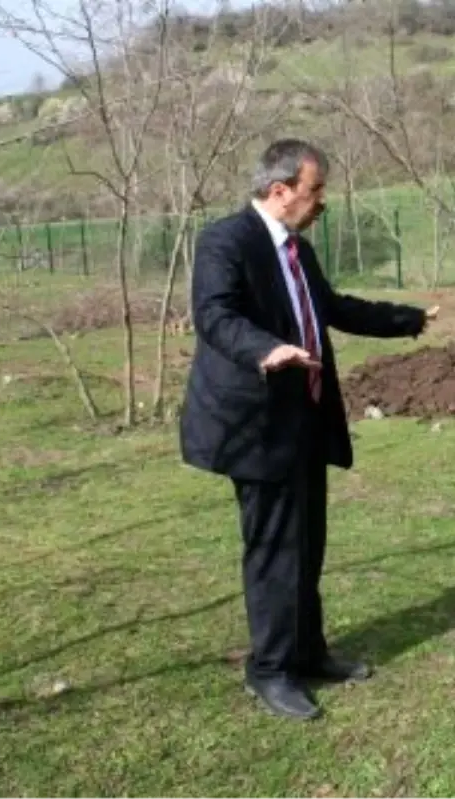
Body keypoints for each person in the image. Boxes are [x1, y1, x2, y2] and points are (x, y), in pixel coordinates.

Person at [179, 138, 438, 719]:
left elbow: (334, 308)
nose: (323, 201)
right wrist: (266, 349)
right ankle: (269, 670)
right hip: (255, 426)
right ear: (280, 191)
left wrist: (409, 320)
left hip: (305, 422)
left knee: (308, 544)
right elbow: (215, 314)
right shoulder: (226, 241)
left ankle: (308, 651)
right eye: (314, 190)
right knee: (274, 550)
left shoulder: (298, 251)